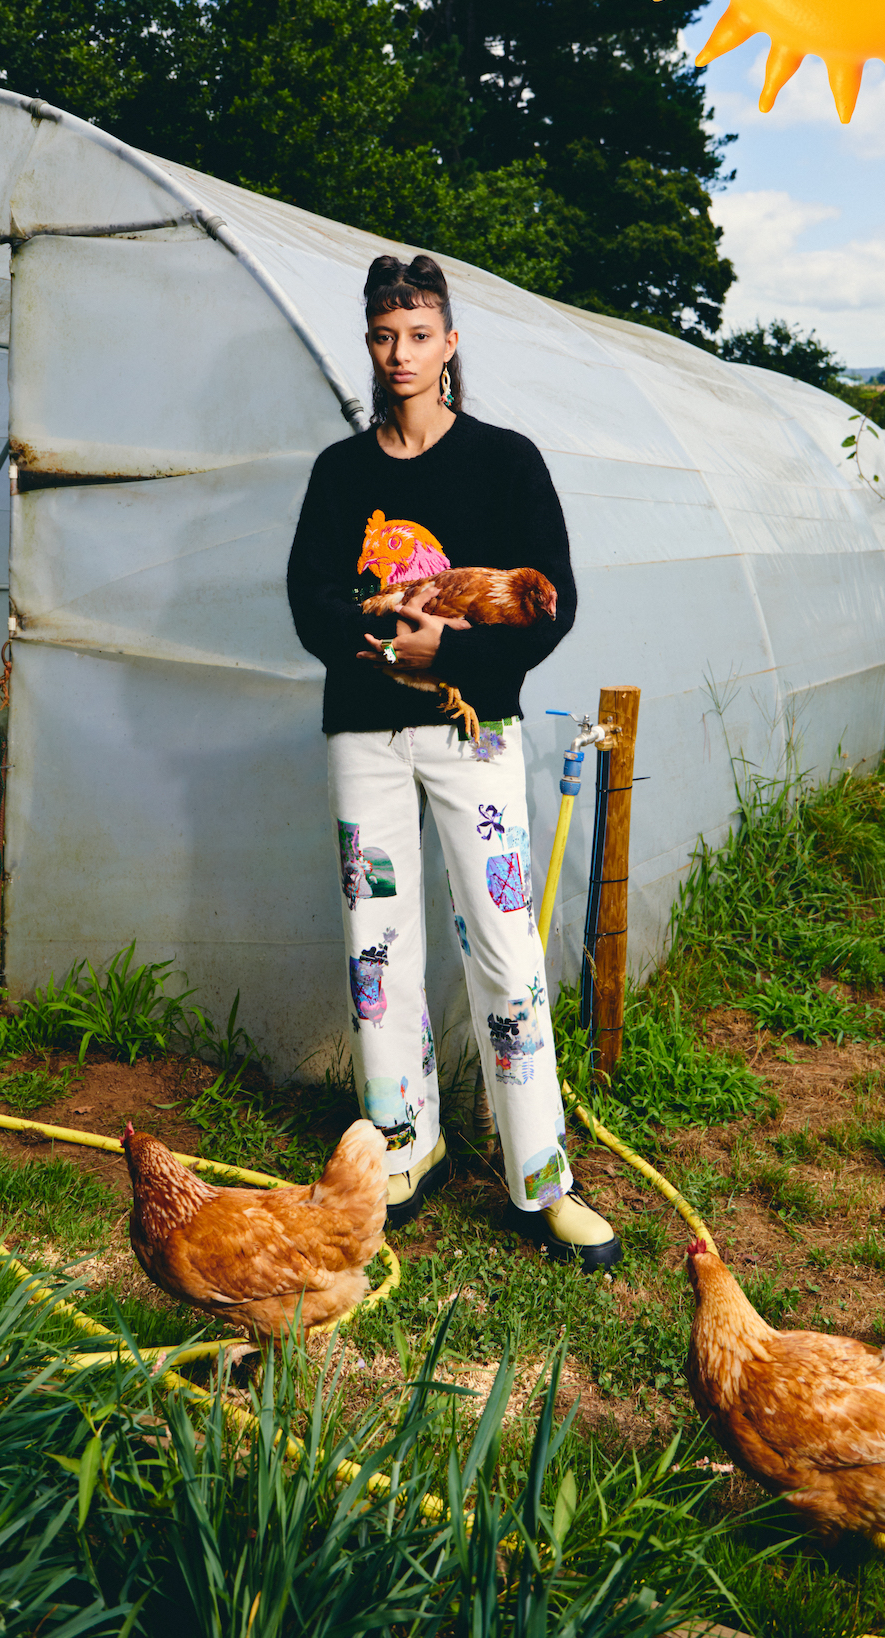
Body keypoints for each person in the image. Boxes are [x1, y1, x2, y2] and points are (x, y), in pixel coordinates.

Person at [287, 253, 620, 1271]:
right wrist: (394, 645)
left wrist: (456, 657)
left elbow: (552, 601)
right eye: (384, 335)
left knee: (505, 948)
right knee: (377, 948)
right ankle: (405, 1145)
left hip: (473, 733)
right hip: (365, 735)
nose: (400, 353)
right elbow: (311, 603)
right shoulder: (340, 473)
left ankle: (541, 1179)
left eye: (419, 334)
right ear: (370, 342)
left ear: (449, 344)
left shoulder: (505, 461)